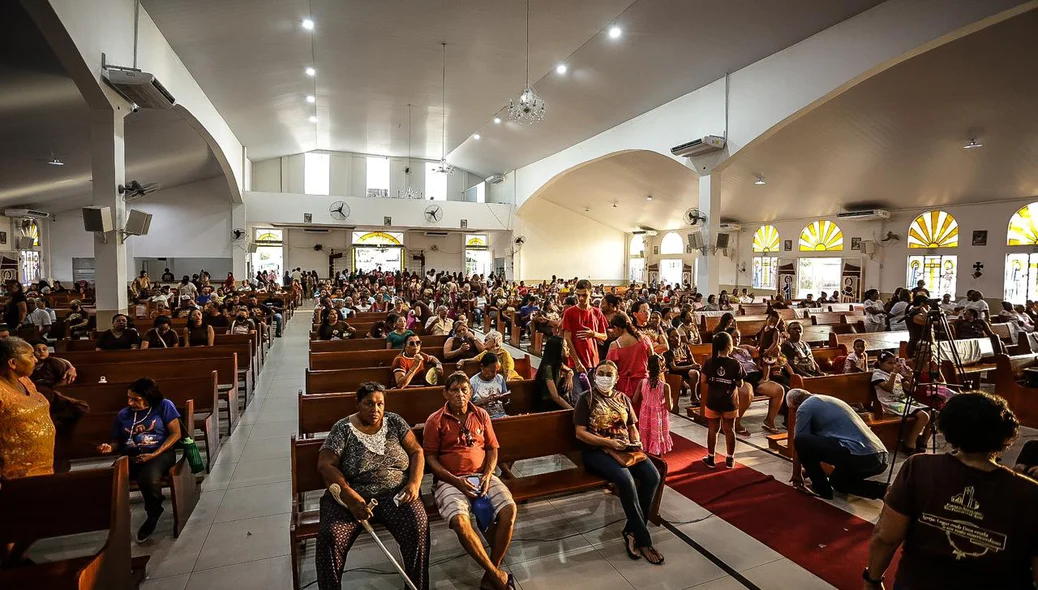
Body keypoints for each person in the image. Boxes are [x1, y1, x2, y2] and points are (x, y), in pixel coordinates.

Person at [865, 392, 1038, 590]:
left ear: (946, 428)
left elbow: (885, 538)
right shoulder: (1029, 493)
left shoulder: (919, 468)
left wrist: (872, 580)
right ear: (1007, 434)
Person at [316, 382, 428, 590]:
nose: (375, 410)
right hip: (353, 498)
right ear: (357, 403)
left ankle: (417, 586)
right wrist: (350, 497)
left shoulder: (394, 422)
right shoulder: (343, 429)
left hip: (395, 494)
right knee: (330, 535)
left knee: (418, 525)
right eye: (369, 404)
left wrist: (414, 483)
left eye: (380, 404)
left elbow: (417, 452)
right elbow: (325, 465)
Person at [423, 372, 517, 590]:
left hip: (482, 475)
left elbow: (492, 448)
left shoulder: (481, 414)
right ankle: (497, 576)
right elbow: (430, 458)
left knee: (509, 511)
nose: (460, 394)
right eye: (454, 390)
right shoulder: (435, 420)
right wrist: (455, 481)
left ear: (471, 391)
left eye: (464, 390)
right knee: (460, 522)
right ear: (445, 393)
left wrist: (487, 474)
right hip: (449, 480)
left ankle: (491, 573)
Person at [574, 360, 663, 564]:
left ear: (616, 378)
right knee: (625, 481)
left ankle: (631, 530)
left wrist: (635, 440)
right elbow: (580, 433)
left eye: (609, 374)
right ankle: (644, 540)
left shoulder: (622, 398)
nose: (604, 377)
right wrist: (608, 442)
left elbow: (631, 425)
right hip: (596, 451)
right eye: (601, 373)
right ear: (594, 375)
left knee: (652, 477)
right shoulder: (586, 399)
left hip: (625, 449)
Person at [97, 378, 183, 541]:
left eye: (135, 399)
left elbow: (175, 433)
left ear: (149, 397)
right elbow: (117, 441)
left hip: (160, 453)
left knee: (147, 478)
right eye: (128, 398)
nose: (130, 403)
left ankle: (153, 511)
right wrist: (110, 447)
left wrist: (154, 454)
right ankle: (115, 520)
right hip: (132, 454)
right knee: (113, 475)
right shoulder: (123, 414)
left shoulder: (164, 405)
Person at [786, 389, 887, 500]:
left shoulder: (804, 407)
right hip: (878, 457)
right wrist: (809, 470)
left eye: (793, 410)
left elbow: (799, 442)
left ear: (795, 404)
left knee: (801, 440)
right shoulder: (827, 400)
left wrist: (797, 473)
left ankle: (821, 489)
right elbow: (820, 445)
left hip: (858, 454)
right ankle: (885, 491)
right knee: (838, 482)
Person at [0, 337, 53, 480]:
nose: (35, 359)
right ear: (12, 363)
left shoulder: (25, 381)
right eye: (30, 356)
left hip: (44, 467)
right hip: (14, 474)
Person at [872, 352, 932, 454]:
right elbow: (888, 388)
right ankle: (909, 444)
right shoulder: (877, 375)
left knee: (933, 413)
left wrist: (910, 376)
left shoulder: (898, 375)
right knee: (923, 416)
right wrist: (894, 374)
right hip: (891, 404)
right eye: (889, 363)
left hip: (903, 401)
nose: (893, 365)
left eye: (894, 363)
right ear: (880, 363)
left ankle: (923, 442)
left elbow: (912, 389)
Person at [701, 332, 743, 469]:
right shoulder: (735, 363)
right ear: (729, 346)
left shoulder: (709, 361)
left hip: (713, 400)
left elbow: (703, 380)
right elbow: (740, 383)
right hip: (729, 401)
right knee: (729, 429)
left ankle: (711, 457)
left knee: (713, 429)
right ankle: (730, 459)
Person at [606, 312, 653, 414]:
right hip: (644, 383)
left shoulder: (615, 345)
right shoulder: (644, 339)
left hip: (623, 386)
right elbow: (653, 361)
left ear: (616, 327)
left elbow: (609, 369)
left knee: (627, 417)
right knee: (644, 415)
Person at [562, 278, 608, 377]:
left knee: (591, 392)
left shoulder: (597, 312)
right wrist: (577, 362)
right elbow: (567, 339)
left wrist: (593, 334)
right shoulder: (569, 312)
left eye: (584, 295)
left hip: (593, 360)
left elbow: (604, 336)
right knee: (578, 392)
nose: (581, 298)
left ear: (590, 293)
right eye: (578, 295)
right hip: (575, 362)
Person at [638, 355, 672, 456]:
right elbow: (670, 407)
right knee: (658, 437)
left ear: (647, 367)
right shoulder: (665, 386)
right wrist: (672, 400)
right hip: (658, 416)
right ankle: (659, 460)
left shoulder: (642, 382)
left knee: (645, 436)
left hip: (644, 414)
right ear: (662, 368)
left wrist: (646, 399)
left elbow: (635, 399)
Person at [533, 335, 574, 411]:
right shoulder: (547, 368)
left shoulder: (557, 363)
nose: (568, 349)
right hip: (546, 407)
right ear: (557, 350)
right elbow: (555, 396)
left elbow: (570, 371)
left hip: (555, 404)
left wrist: (569, 376)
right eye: (565, 347)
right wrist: (572, 410)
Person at [664, 328, 701, 406]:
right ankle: (693, 397)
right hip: (677, 370)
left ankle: (700, 396)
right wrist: (691, 366)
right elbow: (674, 367)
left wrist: (696, 365)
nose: (676, 338)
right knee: (695, 373)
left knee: (702, 372)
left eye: (677, 336)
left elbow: (692, 361)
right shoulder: (668, 349)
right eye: (672, 337)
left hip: (687, 368)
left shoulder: (685, 346)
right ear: (669, 338)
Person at [469, 353, 509, 419]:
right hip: (482, 419)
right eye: (492, 371)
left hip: (501, 416)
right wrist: (485, 401)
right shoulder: (473, 382)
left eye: (497, 371)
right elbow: (468, 407)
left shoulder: (500, 379)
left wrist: (503, 398)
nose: (494, 375)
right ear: (482, 367)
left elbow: (506, 401)